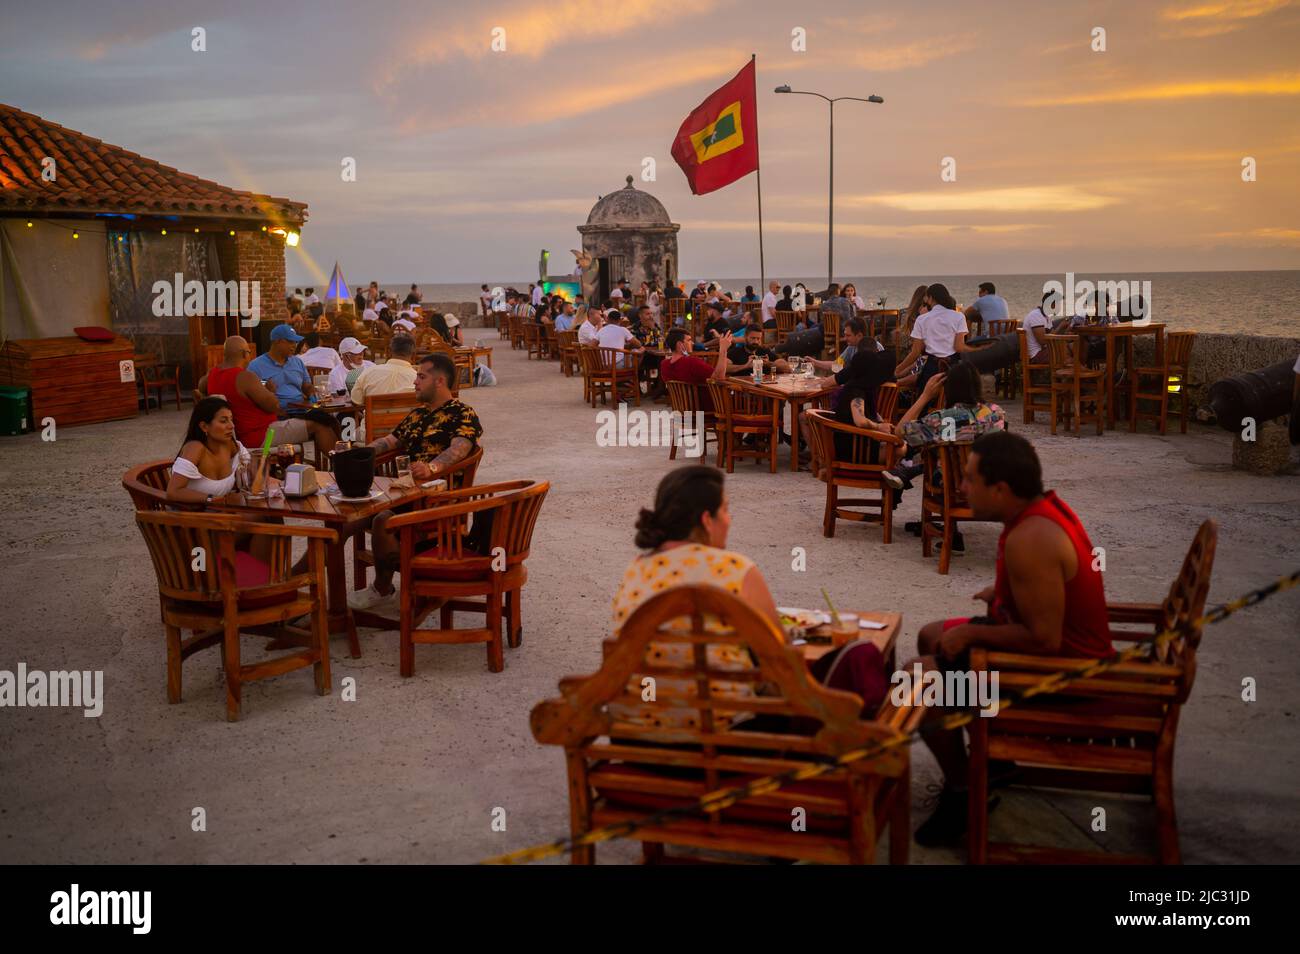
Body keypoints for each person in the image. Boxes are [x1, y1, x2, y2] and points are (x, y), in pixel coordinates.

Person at [911, 431, 1113, 846]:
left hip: (1063, 680)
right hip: (1060, 657)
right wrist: (1002, 595)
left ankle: (963, 790)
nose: (962, 487)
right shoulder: (1037, 513)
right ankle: (990, 759)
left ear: (1000, 490)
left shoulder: (1030, 540)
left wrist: (969, 633)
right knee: (930, 636)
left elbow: (1043, 641)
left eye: (970, 479)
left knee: (917, 684)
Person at [610, 466, 890, 733]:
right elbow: (782, 663)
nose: (729, 519)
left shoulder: (636, 569)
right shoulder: (735, 569)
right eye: (726, 510)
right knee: (861, 655)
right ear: (707, 520)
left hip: (642, 736)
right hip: (728, 738)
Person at [349, 352, 484, 610]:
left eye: (421, 376)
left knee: (382, 520)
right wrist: (359, 453)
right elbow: (389, 441)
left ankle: (384, 587)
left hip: (439, 499)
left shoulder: (462, 413)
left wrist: (432, 467)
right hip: (407, 494)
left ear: (440, 381)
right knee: (346, 515)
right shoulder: (418, 415)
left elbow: (461, 447)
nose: (415, 382)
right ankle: (296, 581)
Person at [883, 364, 1008, 552]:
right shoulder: (995, 413)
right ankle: (908, 470)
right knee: (944, 447)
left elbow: (900, 432)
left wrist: (925, 396)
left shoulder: (942, 419)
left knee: (937, 450)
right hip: (990, 484)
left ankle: (907, 470)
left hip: (953, 486)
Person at [247, 324, 339, 453]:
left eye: (296, 342)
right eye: (291, 341)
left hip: (301, 409)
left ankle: (338, 462)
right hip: (278, 414)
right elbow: (254, 394)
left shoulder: (297, 362)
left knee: (332, 421)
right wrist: (266, 387)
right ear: (277, 342)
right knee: (324, 423)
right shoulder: (256, 366)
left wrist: (311, 393)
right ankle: (339, 463)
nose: (295, 345)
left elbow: (306, 385)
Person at [196, 335, 280, 448]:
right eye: (249, 352)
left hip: (235, 438)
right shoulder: (245, 377)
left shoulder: (212, 374)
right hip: (264, 437)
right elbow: (274, 406)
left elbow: (200, 387)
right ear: (244, 354)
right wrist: (271, 391)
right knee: (310, 425)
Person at [168, 396, 248, 507]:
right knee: (263, 517)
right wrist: (213, 499)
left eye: (231, 419)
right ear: (204, 426)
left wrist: (275, 482)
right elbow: (173, 492)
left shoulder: (230, 445)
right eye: (223, 421)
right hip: (192, 516)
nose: (231, 426)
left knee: (268, 515)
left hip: (219, 513)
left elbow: (253, 474)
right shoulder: (195, 448)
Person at [660, 328, 732, 412]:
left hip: (682, 412)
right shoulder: (691, 362)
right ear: (680, 344)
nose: (692, 343)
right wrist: (723, 349)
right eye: (689, 340)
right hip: (707, 411)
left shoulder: (664, 364)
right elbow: (719, 378)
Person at [350, 333, 417, 404]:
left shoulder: (369, 372)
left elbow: (356, 400)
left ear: (388, 352)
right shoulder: (418, 379)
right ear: (413, 355)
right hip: (405, 415)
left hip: (373, 415)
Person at [726, 324, 790, 376]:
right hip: (743, 388)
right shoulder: (736, 352)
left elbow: (786, 368)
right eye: (753, 338)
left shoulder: (764, 351)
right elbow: (725, 367)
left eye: (758, 339)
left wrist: (768, 364)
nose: (756, 342)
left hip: (764, 387)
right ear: (745, 337)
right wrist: (745, 366)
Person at [1021, 290, 1056, 364]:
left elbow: (1054, 336)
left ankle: (1079, 371)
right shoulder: (1036, 316)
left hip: (1045, 351)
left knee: (1073, 347)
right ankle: (1077, 372)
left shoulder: (1046, 317)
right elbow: (1043, 341)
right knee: (1065, 352)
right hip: (1036, 355)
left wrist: (1063, 326)